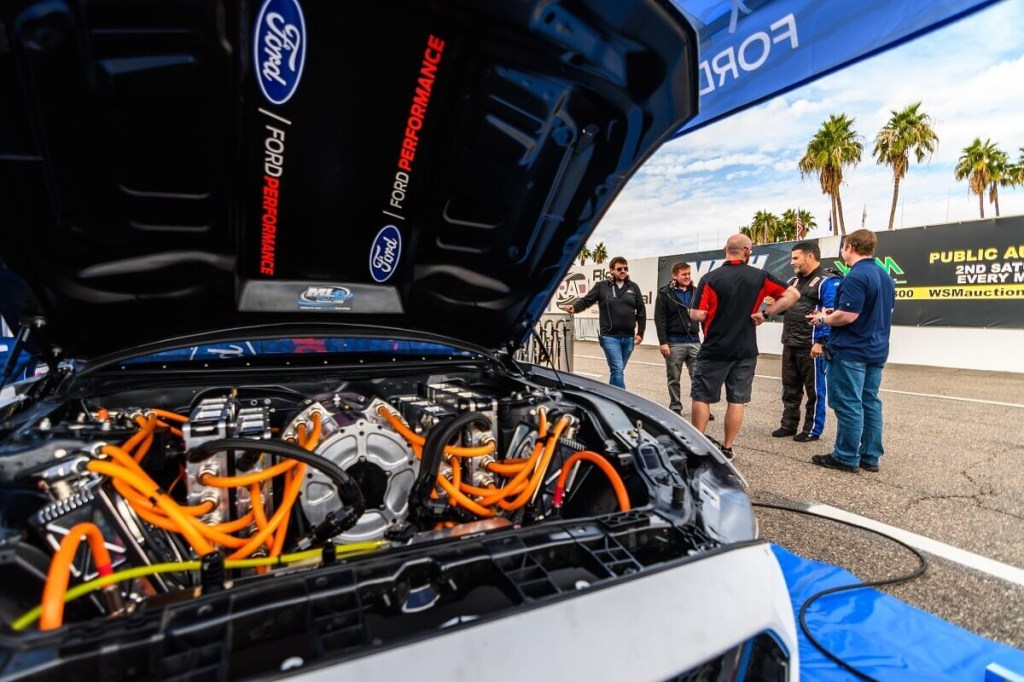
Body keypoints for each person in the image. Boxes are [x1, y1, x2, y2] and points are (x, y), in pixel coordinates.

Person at [688, 235, 801, 459]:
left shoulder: (710, 278)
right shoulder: (759, 277)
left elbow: (696, 314)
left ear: (725, 250)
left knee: (701, 396)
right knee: (737, 400)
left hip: (714, 348)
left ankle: (697, 446)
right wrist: (766, 313)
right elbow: (793, 294)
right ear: (747, 251)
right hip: (745, 349)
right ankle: (727, 447)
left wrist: (711, 314)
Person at [808, 229, 896, 473]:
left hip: (851, 350)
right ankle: (870, 456)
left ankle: (846, 455)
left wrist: (822, 320)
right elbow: (879, 312)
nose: (842, 251)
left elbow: (848, 315)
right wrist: (830, 315)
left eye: (844, 247)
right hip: (876, 350)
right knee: (870, 402)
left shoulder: (856, 276)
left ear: (850, 247)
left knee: (848, 403)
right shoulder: (884, 276)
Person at [772, 241, 840, 442]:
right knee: (790, 388)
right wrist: (773, 304)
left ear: (810, 256)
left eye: (796, 258)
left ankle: (812, 429)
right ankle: (788, 424)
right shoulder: (793, 281)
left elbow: (830, 314)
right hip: (790, 343)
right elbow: (786, 309)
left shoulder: (827, 282)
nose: (792, 262)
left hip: (811, 346)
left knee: (815, 391)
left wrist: (821, 342)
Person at [564, 256, 645, 389]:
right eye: (619, 269)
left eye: (625, 268)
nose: (623, 271)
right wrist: (575, 307)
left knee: (616, 372)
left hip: (629, 338)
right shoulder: (602, 287)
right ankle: (622, 402)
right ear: (611, 270)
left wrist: (640, 333)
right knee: (618, 369)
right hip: (610, 337)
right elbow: (586, 301)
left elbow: (641, 311)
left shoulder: (634, 287)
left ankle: (610, 396)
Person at [654, 262, 713, 420]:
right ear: (675, 276)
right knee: (674, 378)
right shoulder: (664, 294)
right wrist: (663, 342)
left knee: (699, 377)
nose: (687, 277)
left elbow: (702, 315)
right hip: (674, 343)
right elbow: (660, 320)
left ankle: (702, 407)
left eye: (689, 274)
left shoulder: (696, 292)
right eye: (684, 274)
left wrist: (707, 338)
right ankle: (675, 406)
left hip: (695, 341)